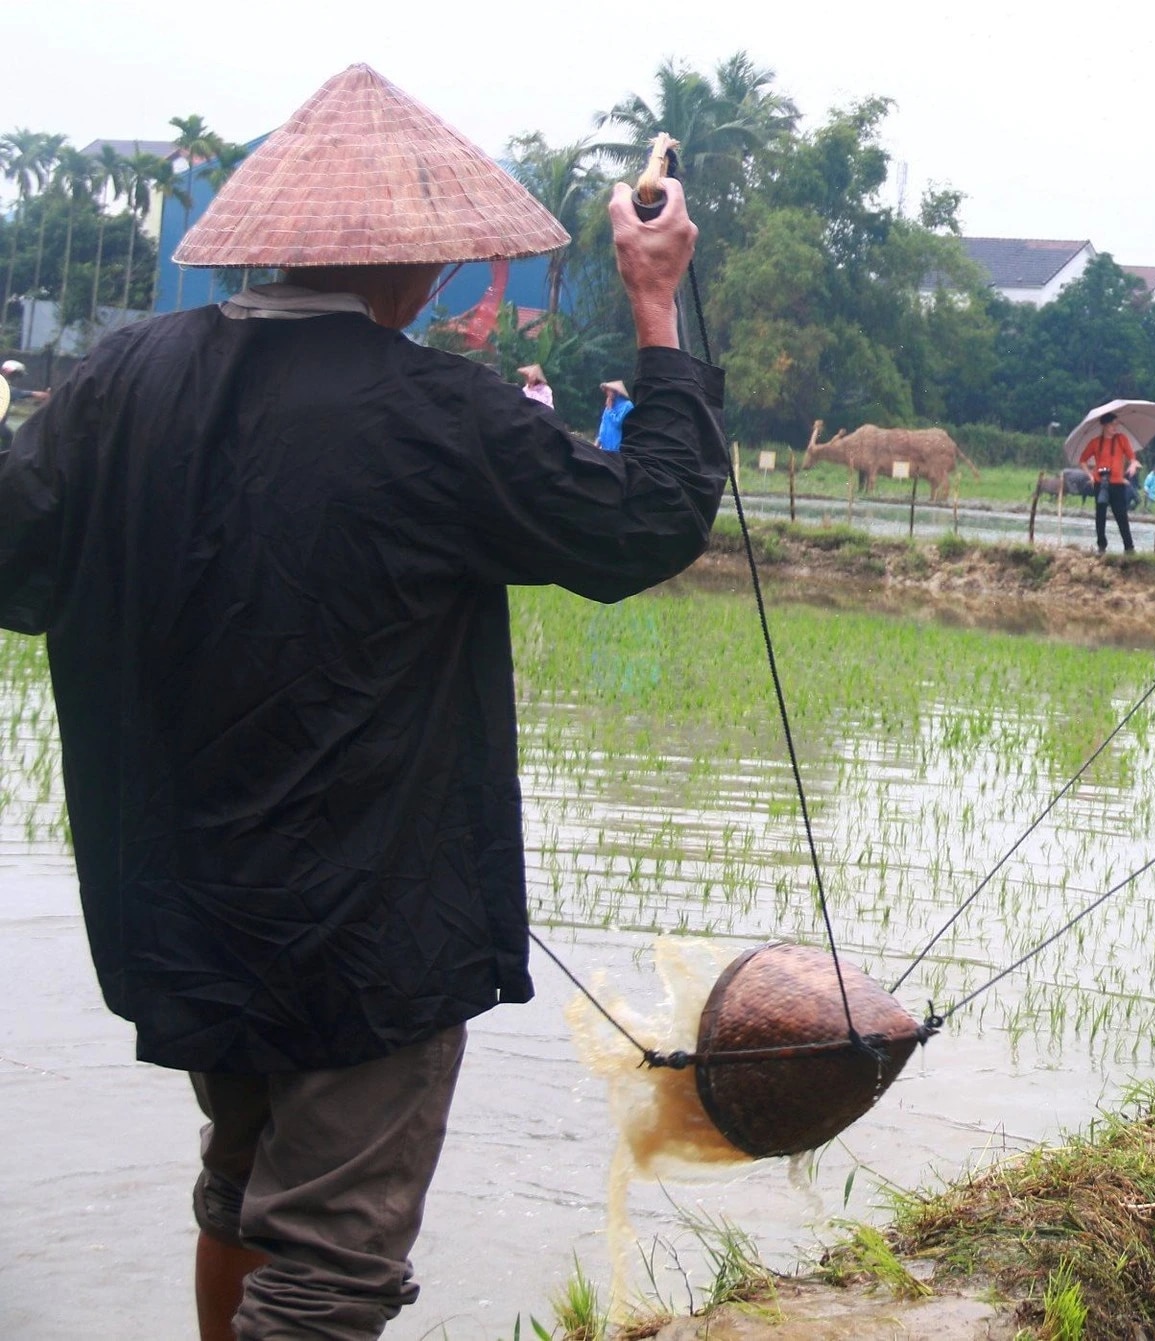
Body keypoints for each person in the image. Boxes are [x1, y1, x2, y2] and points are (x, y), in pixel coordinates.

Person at [0, 64, 726, 1341]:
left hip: (179, 905)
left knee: (239, 1190)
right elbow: (642, 527)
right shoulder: (438, 413)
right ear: (417, 272)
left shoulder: (117, 384)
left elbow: (14, 564)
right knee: (331, 1264)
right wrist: (655, 306)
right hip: (364, 932)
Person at [1076, 411, 1137, 554]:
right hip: (1100, 483)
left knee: (1121, 515)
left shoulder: (1121, 439)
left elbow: (1132, 457)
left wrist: (1133, 464)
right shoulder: (1095, 442)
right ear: (1104, 425)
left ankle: (1129, 547)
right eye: (1112, 424)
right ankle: (1101, 546)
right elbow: (1082, 461)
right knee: (1100, 515)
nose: (1115, 427)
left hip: (1117, 483)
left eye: (1116, 424)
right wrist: (1090, 476)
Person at [596, 379, 634, 451]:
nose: (607, 393)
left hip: (618, 449)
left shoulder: (627, 405)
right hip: (605, 449)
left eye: (609, 391)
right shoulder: (609, 406)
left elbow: (618, 423)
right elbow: (603, 425)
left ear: (617, 392)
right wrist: (596, 446)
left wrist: (610, 410)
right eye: (607, 391)